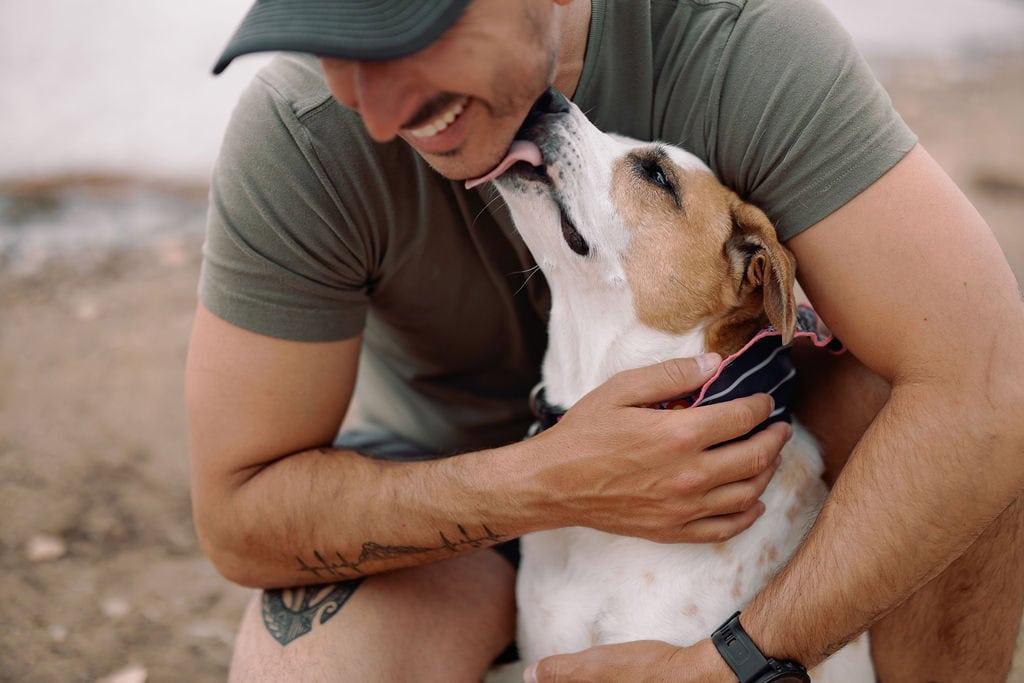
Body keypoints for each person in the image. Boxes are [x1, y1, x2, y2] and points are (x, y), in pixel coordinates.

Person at [187, 0, 1024, 680]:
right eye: (330, 30)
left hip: (726, 469)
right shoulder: (302, 127)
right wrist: (550, 478)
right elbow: (237, 520)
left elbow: (987, 382)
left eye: (410, 27)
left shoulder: (742, 44)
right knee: (306, 667)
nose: (372, 110)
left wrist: (737, 661)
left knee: (955, 423)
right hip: (427, 493)